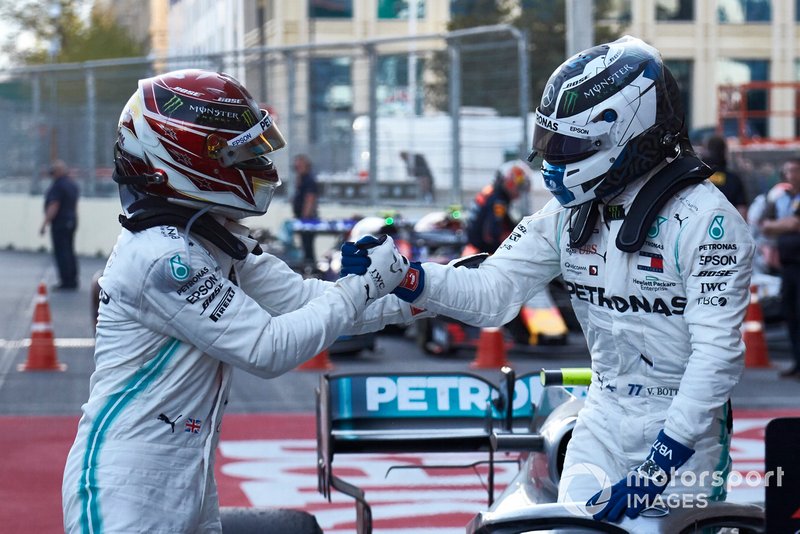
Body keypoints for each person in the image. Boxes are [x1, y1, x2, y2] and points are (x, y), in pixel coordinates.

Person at [345, 36, 755, 522]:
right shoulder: (564, 215)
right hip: (602, 415)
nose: (554, 161)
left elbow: (717, 356)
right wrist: (410, 278)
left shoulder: (709, 221)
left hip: (687, 436)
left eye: (570, 145)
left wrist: (665, 458)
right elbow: (493, 292)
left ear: (629, 133)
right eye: (549, 144)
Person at [61, 69, 414, 534]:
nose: (259, 164)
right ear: (185, 158)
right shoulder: (162, 257)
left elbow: (303, 300)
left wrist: (420, 297)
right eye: (242, 152)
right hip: (126, 488)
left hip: (188, 474)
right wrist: (363, 286)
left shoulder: (209, 238)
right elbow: (268, 349)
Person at [759, 158, 800, 378]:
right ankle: (797, 362)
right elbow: (764, 226)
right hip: (787, 264)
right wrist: (783, 226)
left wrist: (780, 226)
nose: (791, 175)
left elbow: (795, 223)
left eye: (795, 171)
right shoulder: (780, 199)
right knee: (790, 314)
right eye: (788, 171)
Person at [465, 159, 532, 254]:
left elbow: (508, 223)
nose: (519, 193)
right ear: (510, 182)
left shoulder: (493, 193)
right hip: (482, 251)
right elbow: (493, 232)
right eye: (519, 187)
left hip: (475, 244)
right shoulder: (498, 200)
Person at [40, 160, 80, 290]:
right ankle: (72, 279)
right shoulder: (71, 184)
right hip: (71, 220)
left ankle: (66, 281)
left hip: (60, 223)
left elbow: (54, 205)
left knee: (62, 252)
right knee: (69, 250)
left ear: (58, 172)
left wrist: (44, 223)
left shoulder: (57, 186)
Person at [703, 134, 749, 219]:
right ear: (724, 152)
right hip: (727, 227)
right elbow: (742, 213)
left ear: (706, 151)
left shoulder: (697, 179)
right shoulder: (734, 180)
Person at [291, 153, 319, 265]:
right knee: (304, 245)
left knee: (308, 246)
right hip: (302, 219)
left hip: (307, 220)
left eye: (300, 165)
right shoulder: (301, 179)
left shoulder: (309, 180)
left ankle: (310, 266)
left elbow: (310, 199)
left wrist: (304, 218)